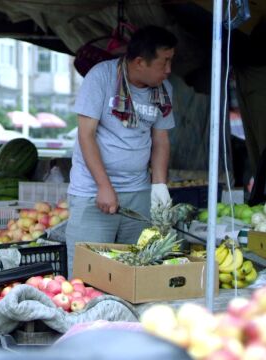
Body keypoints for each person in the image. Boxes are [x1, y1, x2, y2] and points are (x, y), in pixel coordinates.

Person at [66, 25, 177, 273]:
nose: (169, 71)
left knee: (137, 271)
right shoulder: (101, 77)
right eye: (164, 62)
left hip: (138, 193)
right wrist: (104, 186)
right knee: (88, 275)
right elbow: (86, 134)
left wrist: (159, 188)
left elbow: (161, 140)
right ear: (140, 62)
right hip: (93, 193)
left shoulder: (164, 90)